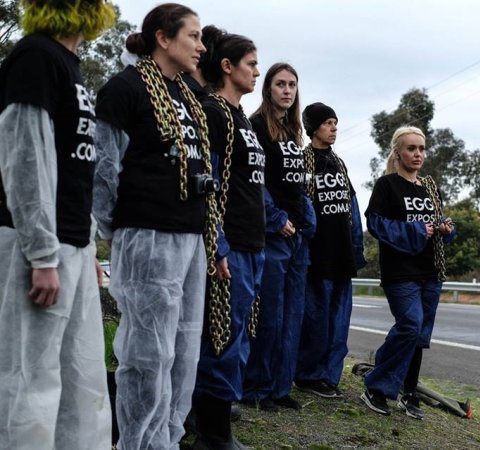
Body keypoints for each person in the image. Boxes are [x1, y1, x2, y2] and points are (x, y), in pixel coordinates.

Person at [93, 4, 213, 449]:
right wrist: (114, 231)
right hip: (147, 235)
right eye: (193, 36)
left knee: (182, 351)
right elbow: (104, 169)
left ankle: (166, 439)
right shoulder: (124, 89)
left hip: (189, 235)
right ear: (164, 38)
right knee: (147, 354)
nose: (201, 46)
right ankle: (137, 444)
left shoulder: (187, 94)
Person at [0, 0, 115, 448]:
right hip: (35, 247)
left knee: (81, 374)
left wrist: (86, 249)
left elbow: (74, 170)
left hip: (71, 245)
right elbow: (24, 159)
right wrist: (42, 254)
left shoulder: (70, 64)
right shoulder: (36, 56)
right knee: (29, 377)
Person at [191, 26, 263, 450]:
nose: (256, 71)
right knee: (219, 339)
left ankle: (218, 428)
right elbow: (210, 182)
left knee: (236, 339)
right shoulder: (214, 112)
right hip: (229, 246)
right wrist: (217, 243)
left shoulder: (240, 116)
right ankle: (212, 436)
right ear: (227, 66)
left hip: (253, 246)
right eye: (251, 64)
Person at [360, 126, 457, 419]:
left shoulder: (429, 187)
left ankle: (409, 393)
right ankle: (376, 387)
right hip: (400, 273)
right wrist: (417, 229)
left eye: (422, 149)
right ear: (398, 152)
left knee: (419, 335)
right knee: (410, 325)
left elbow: (437, 224)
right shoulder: (387, 185)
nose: (418, 154)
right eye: (411, 149)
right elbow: (376, 225)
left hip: (431, 271)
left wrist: (445, 228)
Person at [243, 63, 316, 410]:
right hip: (273, 235)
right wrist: (275, 218)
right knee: (269, 315)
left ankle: (280, 388)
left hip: (298, 237)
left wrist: (305, 221)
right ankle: (256, 388)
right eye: (280, 84)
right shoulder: (256, 127)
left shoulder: (293, 132)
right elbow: (256, 183)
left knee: (292, 315)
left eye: (292, 85)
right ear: (268, 89)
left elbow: (298, 187)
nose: (287, 90)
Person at [295, 102, 366, 398]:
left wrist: (357, 248)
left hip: (341, 253)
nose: (334, 128)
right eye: (327, 123)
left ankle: (329, 375)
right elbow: (299, 204)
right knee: (316, 318)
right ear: (313, 128)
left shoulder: (339, 163)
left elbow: (352, 206)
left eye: (335, 122)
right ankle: (309, 375)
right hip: (317, 254)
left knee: (339, 319)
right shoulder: (303, 161)